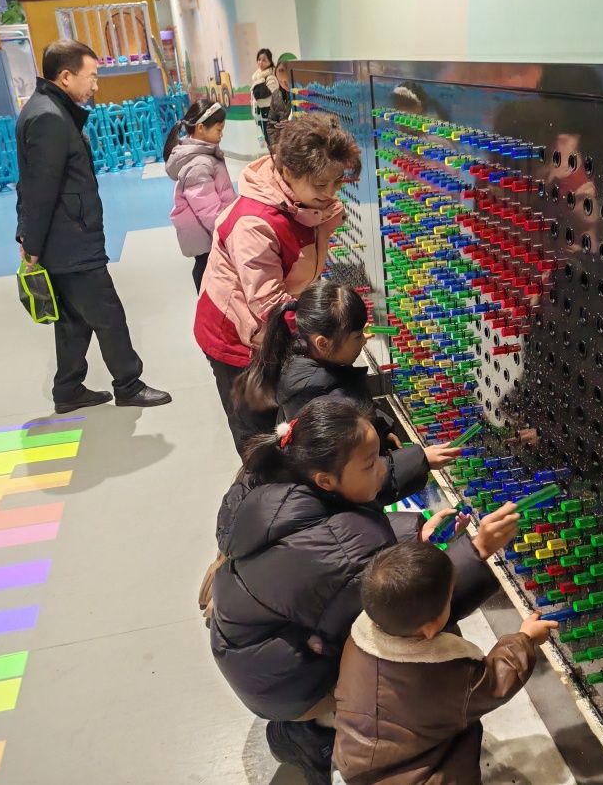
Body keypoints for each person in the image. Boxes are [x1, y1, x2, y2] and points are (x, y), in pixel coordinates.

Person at [209, 397, 518, 783]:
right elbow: (411, 612)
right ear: (325, 480)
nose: (382, 467)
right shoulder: (342, 556)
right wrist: (478, 552)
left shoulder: (277, 482)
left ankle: (310, 724)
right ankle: (317, 735)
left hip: (258, 657)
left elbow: (349, 522)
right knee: (421, 663)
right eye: (371, 463)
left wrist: (417, 504)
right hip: (287, 684)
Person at [15, 40, 171, 413]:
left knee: (73, 318)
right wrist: (30, 243)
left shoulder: (45, 109)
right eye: (92, 77)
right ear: (66, 76)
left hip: (65, 237)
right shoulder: (50, 118)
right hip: (71, 239)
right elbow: (40, 190)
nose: (95, 85)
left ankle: (68, 389)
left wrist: (29, 237)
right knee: (108, 314)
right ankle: (129, 384)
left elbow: (32, 185)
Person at [194, 113, 360, 453]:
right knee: (259, 433)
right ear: (287, 171)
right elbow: (268, 304)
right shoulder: (254, 223)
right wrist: (325, 331)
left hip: (272, 326)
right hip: (236, 337)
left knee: (284, 419)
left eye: (337, 182)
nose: (331, 193)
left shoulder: (307, 204)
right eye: (320, 185)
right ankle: (261, 481)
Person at [333, 542, 557, 784]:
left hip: (357, 760)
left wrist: (476, 551)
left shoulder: (361, 639)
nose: (452, 600)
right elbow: (494, 683)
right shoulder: (441, 677)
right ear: (429, 628)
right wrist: (525, 639)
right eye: (450, 599)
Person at [232, 281, 399, 453]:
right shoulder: (330, 403)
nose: (364, 341)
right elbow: (358, 463)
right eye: (357, 337)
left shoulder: (298, 354)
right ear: (323, 343)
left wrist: (381, 428)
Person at [164, 99, 235, 292]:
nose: (222, 134)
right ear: (201, 128)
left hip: (210, 236)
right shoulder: (199, 164)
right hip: (208, 238)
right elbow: (209, 212)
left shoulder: (205, 156)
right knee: (209, 276)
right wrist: (229, 234)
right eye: (219, 129)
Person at [251, 48, 279, 146]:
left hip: (270, 115)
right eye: (259, 59)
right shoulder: (258, 77)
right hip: (261, 115)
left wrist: (259, 83)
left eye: (264, 60)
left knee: (273, 141)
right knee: (268, 141)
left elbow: (269, 97)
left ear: (269, 61)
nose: (260, 62)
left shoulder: (271, 77)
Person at [266, 55, 293, 148]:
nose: (284, 85)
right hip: (282, 146)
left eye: (286, 81)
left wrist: (292, 125)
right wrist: (274, 145)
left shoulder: (303, 95)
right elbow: (270, 123)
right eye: (280, 81)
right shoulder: (276, 95)